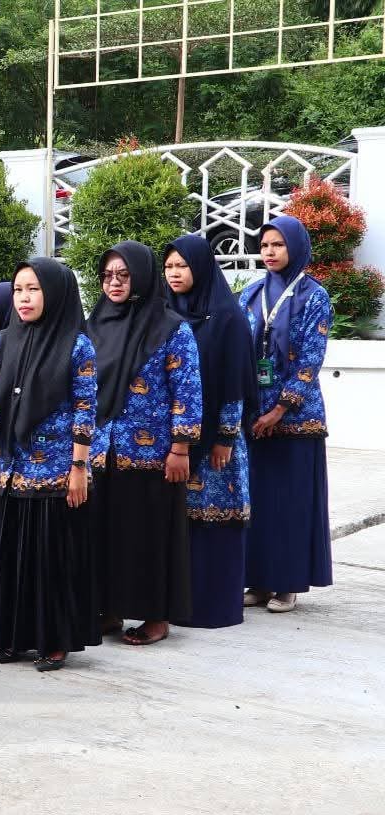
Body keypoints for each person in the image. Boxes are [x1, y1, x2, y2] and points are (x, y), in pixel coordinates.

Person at [0, 258, 101, 672]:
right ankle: (16, 636)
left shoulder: (77, 344)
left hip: (57, 470)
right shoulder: (6, 340)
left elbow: (87, 409)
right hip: (15, 469)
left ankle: (55, 640)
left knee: (53, 559)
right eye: (18, 290)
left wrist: (79, 467)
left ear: (54, 293)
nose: (24, 298)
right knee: (16, 558)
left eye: (33, 289)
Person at [88, 241, 202, 646]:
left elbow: (186, 391)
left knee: (149, 536)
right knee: (106, 535)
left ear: (141, 276)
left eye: (123, 275)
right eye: (107, 276)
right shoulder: (96, 323)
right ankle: (110, 609)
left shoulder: (171, 327)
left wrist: (180, 448)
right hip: (102, 450)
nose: (114, 284)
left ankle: (157, 616)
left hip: (153, 454)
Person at [240, 215, 333, 613]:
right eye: (264, 246)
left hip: (295, 420)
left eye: (278, 245)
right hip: (254, 417)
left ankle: (287, 584)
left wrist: (280, 408)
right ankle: (259, 581)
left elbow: (311, 360)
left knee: (290, 502)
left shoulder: (315, 296)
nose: (270, 252)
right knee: (257, 501)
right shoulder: (250, 292)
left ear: (295, 248)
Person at [165, 233, 257, 629]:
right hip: (179, 438)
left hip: (218, 441)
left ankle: (216, 607)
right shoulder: (167, 314)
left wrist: (224, 438)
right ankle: (181, 604)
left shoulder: (228, 316)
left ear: (200, 266)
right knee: (183, 524)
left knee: (216, 521)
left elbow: (235, 383)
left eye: (181, 265)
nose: (174, 273)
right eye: (168, 266)